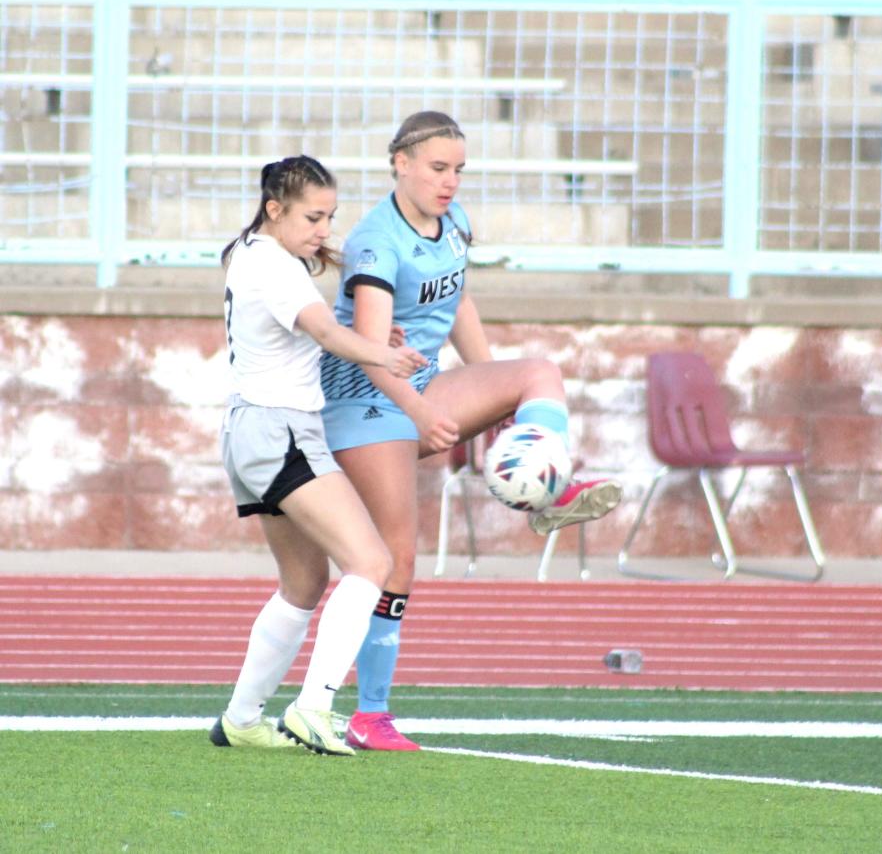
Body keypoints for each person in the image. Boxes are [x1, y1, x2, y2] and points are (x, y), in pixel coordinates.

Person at [321, 111, 623, 752]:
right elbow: (373, 353)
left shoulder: (453, 224)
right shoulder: (376, 242)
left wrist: (495, 396)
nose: (451, 181)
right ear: (399, 163)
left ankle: (546, 491)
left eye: (459, 169)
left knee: (537, 373)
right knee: (395, 559)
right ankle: (367, 715)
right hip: (367, 401)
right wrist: (426, 417)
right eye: (438, 168)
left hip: (422, 387)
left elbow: (458, 301)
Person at [208, 155, 428, 755]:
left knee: (304, 583)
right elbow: (328, 336)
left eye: (330, 217)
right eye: (312, 216)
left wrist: (372, 339)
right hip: (282, 431)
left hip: (252, 431)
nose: (323, 230)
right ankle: (314, 707)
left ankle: (241, 718)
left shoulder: (254, 254)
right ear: (274, 208)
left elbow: (305, 340)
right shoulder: (275, 265)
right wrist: (380, 356)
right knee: (371, 562)